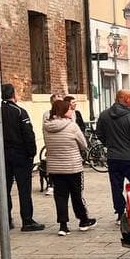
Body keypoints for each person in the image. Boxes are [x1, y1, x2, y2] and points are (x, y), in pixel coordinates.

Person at [42, 97, 97, 236]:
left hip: (54, 166)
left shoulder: (47, 126)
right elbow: (83, 145)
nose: (72, 111)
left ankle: (63, 225)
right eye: (69, 109)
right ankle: (83, 220)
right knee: (76, 194)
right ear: (63, 111)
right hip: (72, 166)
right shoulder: (72, 126)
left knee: (60, 196)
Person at [95, 88, 130, 224]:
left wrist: (109, 144)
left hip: (113, 157)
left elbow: (99, 133)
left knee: (116, 186)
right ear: (122, 98)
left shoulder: (104, 115)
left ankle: (119, 212)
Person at [0, 84, 42, 231]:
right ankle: (27, 220)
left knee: (5, 188)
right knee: (24, 188)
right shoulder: (19, 111)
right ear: (13, 95)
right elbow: (28, 134)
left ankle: (6, 219)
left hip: (3, 154)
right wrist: (32, 152)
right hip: (20, 154)